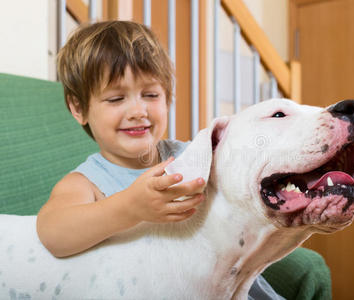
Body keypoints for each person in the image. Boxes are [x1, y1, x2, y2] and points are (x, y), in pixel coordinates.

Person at [36, 20, 291, 299]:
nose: (137, 110)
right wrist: (131, 207)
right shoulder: (86, 183)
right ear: (78, 108)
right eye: (116, 98)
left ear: (167, 96)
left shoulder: (196, 156)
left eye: (151, 95)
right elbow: (52, 234)